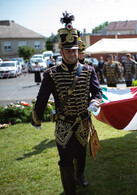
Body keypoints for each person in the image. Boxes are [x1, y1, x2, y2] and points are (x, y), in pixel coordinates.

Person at [31, 11, 102, 194]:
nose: (72, 54)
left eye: (75, 50)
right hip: (63, 123)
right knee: (65, 160)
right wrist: (36, 118)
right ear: (61, 51)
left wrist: (94, 101)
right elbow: (42, 98)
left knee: (81, 152)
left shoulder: (89, 70)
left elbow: (97, 92)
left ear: (78, 50)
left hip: (83, 122)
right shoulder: (51, 74)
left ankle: (80, 176)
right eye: (68, 51)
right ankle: (70, 191)